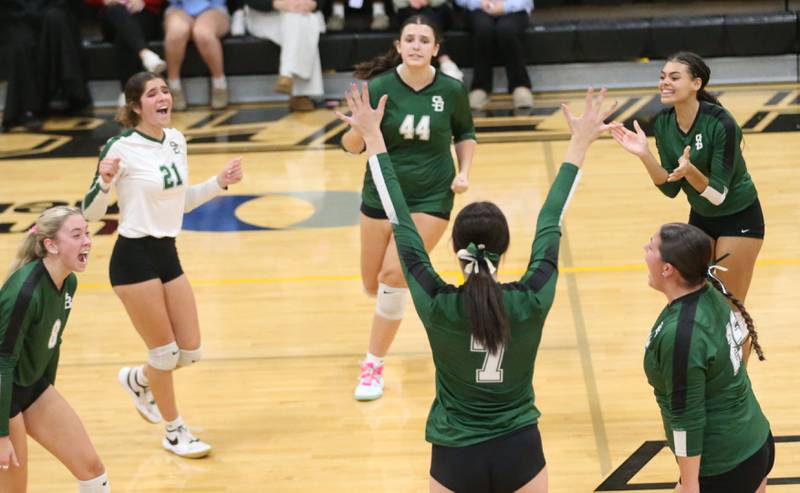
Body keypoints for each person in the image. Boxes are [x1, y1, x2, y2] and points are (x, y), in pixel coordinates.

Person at [338, 83, 617, 491]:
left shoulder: (437, 303)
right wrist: (579, 144)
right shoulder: (532, 299)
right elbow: (551, 218)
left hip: (455, 451)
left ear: (454, 248)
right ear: (504, 248)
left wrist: (374, 138)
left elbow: (399, 214)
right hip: (520, 446)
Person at [81, 71, 243, 458]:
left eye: (165, 90)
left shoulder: (176, 140)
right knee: (165, 354)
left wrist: (218, 182)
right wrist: (104, 183)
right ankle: (174, 432)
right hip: (133, 256)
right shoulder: (120, 146)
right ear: (136, 107)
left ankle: (138, 380)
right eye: (152, 93)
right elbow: (90, 211)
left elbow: (181, 202)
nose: (162, 97)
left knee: (190, 351)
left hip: (167, 251)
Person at [341, 15, 476, 401]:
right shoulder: (379, 87)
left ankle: (373, 365)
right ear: (398, 46)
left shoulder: (451, 90)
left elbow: (465, 133)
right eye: (409, 39)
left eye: (424, 40)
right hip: (380, 194)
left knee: (394, 275)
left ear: (436, 49)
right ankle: (407, 311)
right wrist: (360, 128)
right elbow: (351, 148)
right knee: (373, 283)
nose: (416, 45)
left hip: (431, 198)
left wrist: (464, 171)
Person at [610, 52, 763, 303]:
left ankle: (742, 345)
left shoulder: (721, 123)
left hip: (739, 218)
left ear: (696, 84)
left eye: (674, 77)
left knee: (729, 308)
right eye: (662, 77)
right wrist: (644, 155)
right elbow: (670, 188)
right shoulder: (664, 123)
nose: (665, 82)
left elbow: (717, 195)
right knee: (701, 303)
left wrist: (690, 171)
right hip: (701, 219)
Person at [642, 222, 772, 493]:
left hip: (723, 466)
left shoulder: (682, 334)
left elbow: (687, 417)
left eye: (651, 246)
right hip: (754, 440)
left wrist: (689, 484)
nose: (645, 248)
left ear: (668, 269)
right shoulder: (710, 293)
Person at [0, 206, 110, 492]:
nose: (87, 240)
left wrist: (48, 393)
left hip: (32, 386)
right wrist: (2, 436)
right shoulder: (24, 292)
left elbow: (53, 341)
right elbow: (1, 364)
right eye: (76, 235)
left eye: (87, 233)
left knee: (92, 469)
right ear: (51, 245)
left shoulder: (68, 282)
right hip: (3, 392)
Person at [0, 0, 92, 131]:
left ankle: (65, 89)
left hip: (50, 8)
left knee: (57, 17)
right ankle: (28, 109)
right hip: (13, 15)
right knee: (21, 44)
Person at [233, 0, 325, 112]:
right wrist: (278, 3)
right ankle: (300, 95)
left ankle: (286, 75)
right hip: (263, 14)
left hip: (302, 12)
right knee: (305, 23)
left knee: (303, 20)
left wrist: (313, 4)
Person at [454, 0, 533, 111]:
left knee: (506, 30)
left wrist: (505, 6)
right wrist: (480, 2)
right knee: (483, 29)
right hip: (478, 9)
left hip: (515, 9)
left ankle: (520, 86)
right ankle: (480, 88)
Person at [84, 0, 168, 105]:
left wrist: (145, 1)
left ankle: (127, 93)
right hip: (112, 17)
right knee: (116, 10)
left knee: (124, 35)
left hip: (144, 14)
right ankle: (145, 54)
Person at [163, 0, 231, 109]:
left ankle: (220, 84)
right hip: (178, 7)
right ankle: (173, 87)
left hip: (215, 8)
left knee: (202, 33)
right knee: (176, 32)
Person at [391, 0, 463, 82]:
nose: (416, 47)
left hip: (438, 7)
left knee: (430, 15)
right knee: (421, 17)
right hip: (405, 7)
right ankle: (445, 60)